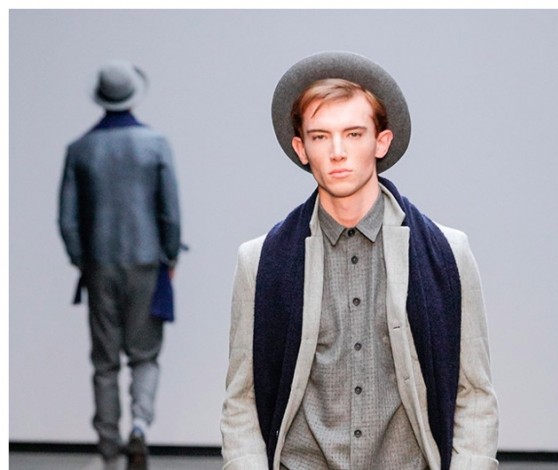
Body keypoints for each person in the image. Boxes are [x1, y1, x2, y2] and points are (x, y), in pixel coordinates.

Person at [220, 51, 498, 470]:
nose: (337, 152)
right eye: (320, 136)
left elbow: (473, 392)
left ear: (380, 141)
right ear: (301, 148)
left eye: (353, 134)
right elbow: (242, 398)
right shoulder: (259, 262)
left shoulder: (448, 253)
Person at [58, 59, 181, 470]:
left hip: (99, 263)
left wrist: (82, 260)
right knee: (145, 356)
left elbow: (67, 219)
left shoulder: (80, 149)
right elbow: (169, 212)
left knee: (105, 362)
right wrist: (170, 255)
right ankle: (140, 427)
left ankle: (108, 449)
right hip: (146, 261)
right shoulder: (155, 145)